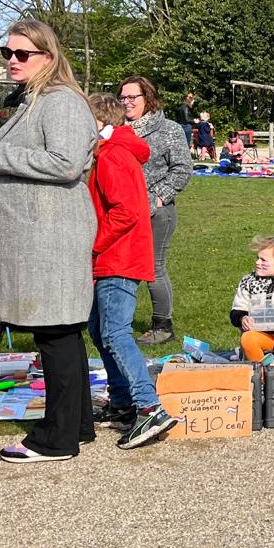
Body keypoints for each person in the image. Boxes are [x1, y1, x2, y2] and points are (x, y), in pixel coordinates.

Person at [0, 19, 98, 464]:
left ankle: (56, 439)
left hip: (51, 235)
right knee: (59, 333)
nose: (12, 61)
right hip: (40, 234)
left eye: (23, 54)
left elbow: (65, 163)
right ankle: (76, 425)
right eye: (7, 53)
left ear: (48, 56)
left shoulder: (61, 102)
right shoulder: (32, 100)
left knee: (57, 333)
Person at [85, 94, 177, 450]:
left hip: (117, 257)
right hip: (113, 256)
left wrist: (93, 244)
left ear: (98, 122)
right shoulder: (112, 152)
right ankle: (122, 400)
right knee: (100, 329)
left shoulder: (112, 156)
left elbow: (125, 211)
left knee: (116, 333)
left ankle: (149, 405)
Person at [118, 76, 192, 346]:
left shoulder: (169, 129)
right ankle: (116, 322)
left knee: (153, 268)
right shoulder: (114, 130)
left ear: (147, 98)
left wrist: (158, 198)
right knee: (120, 267)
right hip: (121, 211)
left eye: (132, 97)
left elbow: (182, 168)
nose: (126, 102)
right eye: (122, 97)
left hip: (156, 213)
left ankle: (163, 326)